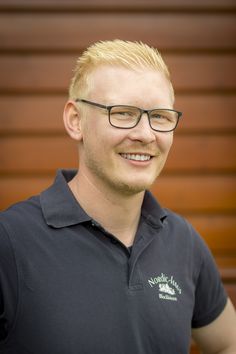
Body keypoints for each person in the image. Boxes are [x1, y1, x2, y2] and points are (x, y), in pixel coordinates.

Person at [0, 40, 235, 354]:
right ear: (75, 120)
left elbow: (227, 342)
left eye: (161, 117)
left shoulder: (184, 242)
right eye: (123, 113)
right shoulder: (10, 241)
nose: (145, 134)